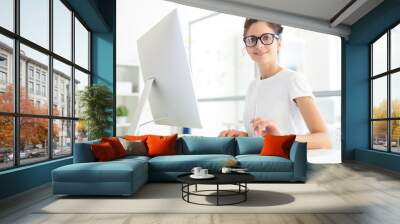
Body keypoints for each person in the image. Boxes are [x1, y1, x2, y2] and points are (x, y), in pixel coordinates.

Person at [218, 18, 331, 149]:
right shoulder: (252, 86)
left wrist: (280, 141)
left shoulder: (293, 80)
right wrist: (243, 135)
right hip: (261, 162)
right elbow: (263, 139)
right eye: (252, 40)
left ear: (279, 43)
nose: (259, 46)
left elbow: (324, 139)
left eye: (266, 38)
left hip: (286, 164)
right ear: (246, 47)